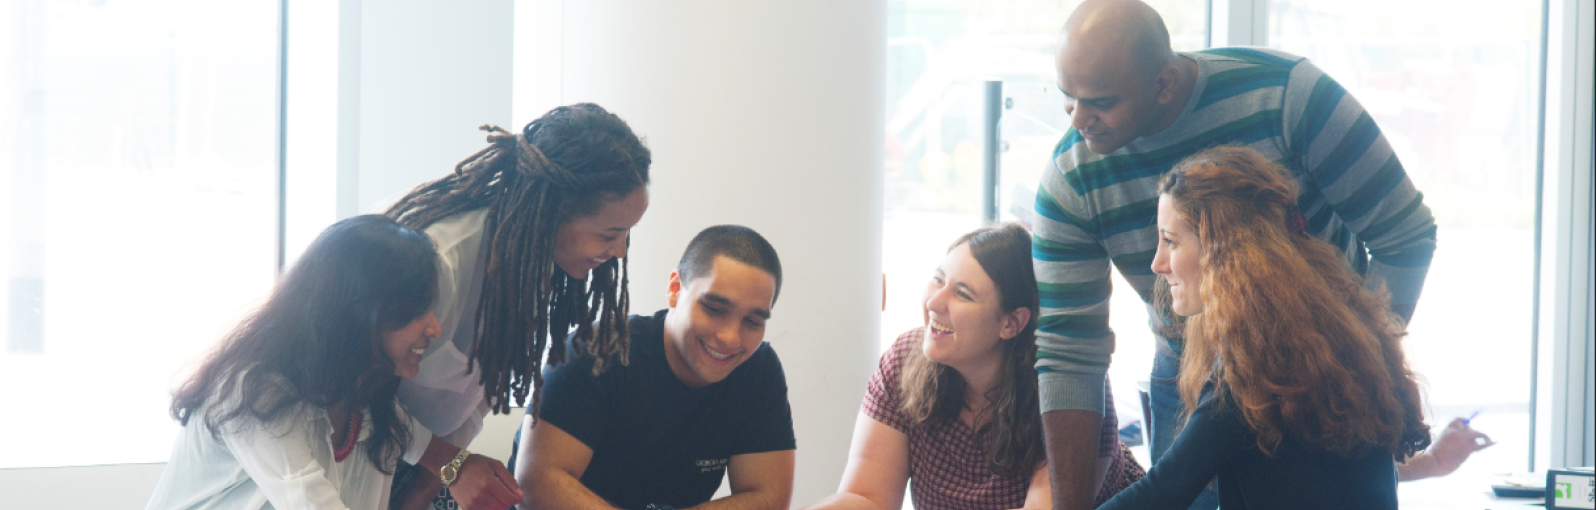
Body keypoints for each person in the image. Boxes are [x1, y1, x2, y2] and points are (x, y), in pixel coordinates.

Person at [1030, 1, 1437, 508]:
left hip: (1308, 360)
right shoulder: (1070, 179)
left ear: (1164, 84)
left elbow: (1405, 236)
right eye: (1067, 97)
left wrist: (1349, 361)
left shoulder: (1290, 97)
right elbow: (1068, 353)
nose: (1078, 120)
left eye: (1100, 102)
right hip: (1197, 363)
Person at [1093, 145, 1432, 509]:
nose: (1158, 264)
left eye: (1171, 242)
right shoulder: (1335, 331)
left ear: (1223, 251)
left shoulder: (1255, 367)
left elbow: (1163, 491)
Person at [383, 103, 652, 509]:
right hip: (340, 455)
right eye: (609, 234)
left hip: (418, 466)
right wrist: (449, 464)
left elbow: (475, 394)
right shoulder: (439, 260)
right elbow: (358, 392)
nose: (619, 251)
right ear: (551, 212)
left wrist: (428, 484)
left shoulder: (530, 268)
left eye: (627, 233)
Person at [146, 215, 516, 509]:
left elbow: (432, 451)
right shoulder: (252, 389)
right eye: (416, 310)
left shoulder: (365, 396)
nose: (434, 327)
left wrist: (460, 469)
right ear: (358, 315)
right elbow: (308, 499)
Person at [801, 224, 1144, 510]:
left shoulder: (1069, 382)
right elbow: (867, 499)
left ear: (1011, 323)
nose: (934, 302)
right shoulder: (904, 359)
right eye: (938, 280)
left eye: (962, 294)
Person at [513, 225, 795, 510]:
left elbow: (769, 498)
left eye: (753, 322)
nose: (730, 338)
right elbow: (537, 485)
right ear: (675, 290)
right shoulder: (595, 351)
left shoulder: (758, 369)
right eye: (714, 309)